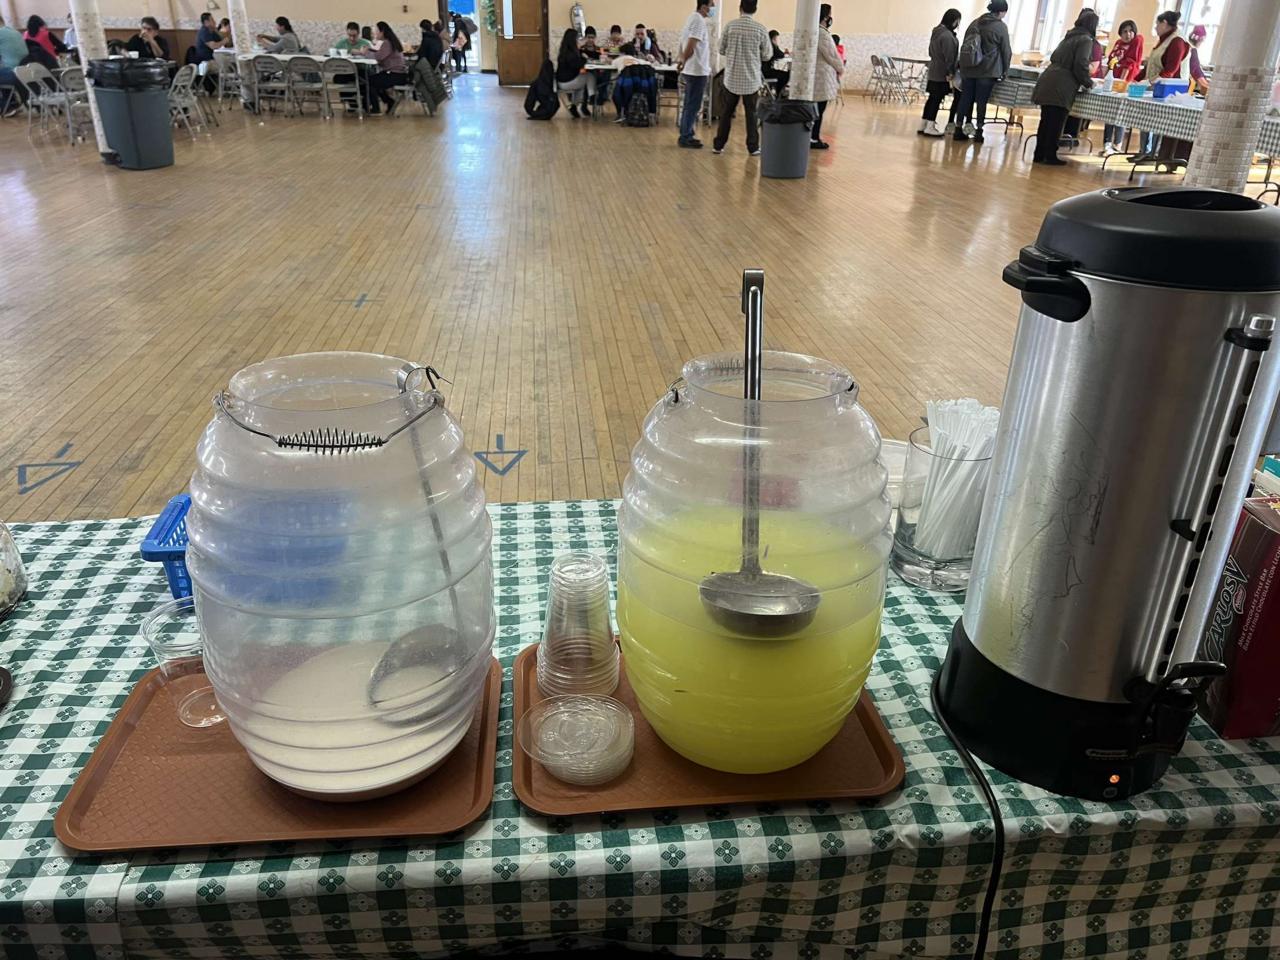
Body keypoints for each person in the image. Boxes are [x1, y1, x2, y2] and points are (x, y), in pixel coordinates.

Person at [1031, 9, 1097, 166]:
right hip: (1062, 84)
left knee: (1045, 120)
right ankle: (1050, 155)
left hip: (1048, 78)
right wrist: (1088, 82)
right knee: (1056, 121)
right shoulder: (1086, 40)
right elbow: (1080, 64)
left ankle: (1039, 154)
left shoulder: (1068, 37)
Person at [713, 0, 771, 155]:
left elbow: (721, 49)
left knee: (726, 113)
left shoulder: (730, 26)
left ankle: (718, 145)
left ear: (740, 8)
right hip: (751, 79)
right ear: (755, 9)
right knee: (751, 114)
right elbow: (767, 55)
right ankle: (753, 147)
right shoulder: (760, 29)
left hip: (731, 78)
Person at [953, 0, 1011, 143]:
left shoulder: (975, 22)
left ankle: (958, 129)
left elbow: (966, 44)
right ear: (1001, 12)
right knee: (981, 101)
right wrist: (1005, 70)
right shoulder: (1000, 27)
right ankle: (979, 132)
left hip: (969, 68)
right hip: (988, 70)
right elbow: (1006, 51)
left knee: (965, 98)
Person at [1134, 10, 1190, 158]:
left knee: (1160, 121)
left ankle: (1154, 153)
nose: (1155, 27)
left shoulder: (1177, 41)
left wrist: (1149, 82)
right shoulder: (1163, 40)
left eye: (1157, 24)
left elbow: (1171, 69)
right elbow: (1150, 64)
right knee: (1145, 117)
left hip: (1170, 89)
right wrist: (1137, 80)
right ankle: (1144, 151)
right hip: (1155, 86)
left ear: (1164, 23)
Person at [1097, 19, 1142, 155]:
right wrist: (1105, 79)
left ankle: (1117, 144)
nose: (1128, 34)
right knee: (1109, 111)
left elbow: (1130, 63)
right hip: (1112, 80)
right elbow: (1111, 61)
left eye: (1130, 31)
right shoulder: (1118, 43)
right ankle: (1107, 143)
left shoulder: (1137, 41)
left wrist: (1121, 82)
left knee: (1120, 112)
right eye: (1124, 31)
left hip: (1124, 82)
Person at [677, 0, 714, 149]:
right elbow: (691, 44)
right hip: (697, 70)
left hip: (692, 69)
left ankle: (687, 133)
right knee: (693, 105)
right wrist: (683, 60)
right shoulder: (698, 21)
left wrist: (681, 60)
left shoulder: (691, 18)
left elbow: (682, 43)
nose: (713, 8)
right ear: (704, 6)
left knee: (689, 104)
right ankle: (685, 136)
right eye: (711, 5)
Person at [919, 8, 961, 137]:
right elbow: (950, 57)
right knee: (936, 99)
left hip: (933, 70)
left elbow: (930, 52)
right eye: (958, 21)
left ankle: (924, 124)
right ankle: (930, 127)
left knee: (932, 98)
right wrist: (951, 72)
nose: (958, 24)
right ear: (954, 20)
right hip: (942, 72)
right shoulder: (947, 36)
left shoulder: (936, 32)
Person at [810, 4, 843, 149]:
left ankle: (812, 136)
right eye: (829, 15)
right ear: (825, 17)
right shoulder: (823, 34)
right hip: (822, 76)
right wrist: (840, 68)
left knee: (816, 107)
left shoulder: (813, 31)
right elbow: (832, 55)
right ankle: (814, 137)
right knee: (819, 108)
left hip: (816, 74)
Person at [364, 21, 408, 115]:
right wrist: (370, 51)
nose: (375, 34)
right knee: (373, 80)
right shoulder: (390, 42)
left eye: (377, 31)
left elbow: (378, 57)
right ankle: (388, 101)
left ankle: (376, 108)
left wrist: (366, 52)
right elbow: (380, 55)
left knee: (370, 81)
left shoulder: (387, 43)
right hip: (398, 74)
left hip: (395, 75)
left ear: (382, 32)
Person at [555, 28, 596, 118]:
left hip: (563, 81)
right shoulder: (570, 53)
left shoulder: (565, 50)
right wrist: (584, 58)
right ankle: (592, 96)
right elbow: (578, 64)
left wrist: (581, 54)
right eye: (577, 38)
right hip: (566, 82)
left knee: (581, 85)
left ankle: (574, 107)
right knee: (590, 76)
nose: (579, 40)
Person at [0, 15, 28, 116]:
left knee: (3, 72)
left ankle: (6, 106)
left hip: (14, 74)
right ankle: (11, 104)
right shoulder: (14, 31)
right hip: (26, 71)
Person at [763, 29, 789, 98]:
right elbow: (780, 54)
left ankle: (778, 91)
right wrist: (776, 45)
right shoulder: (771, 46)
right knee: (786, 74)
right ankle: (779, 93)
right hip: (766, 72)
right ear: (773, 39)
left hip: (764, 71)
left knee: (782, 74)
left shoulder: (767, 46)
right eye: (776, 39)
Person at [1188, 24, 1209, 93]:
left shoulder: (1187, 46)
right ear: (1200, 39)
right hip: (1185, 83)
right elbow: (1195, 70)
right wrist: (1205, 85)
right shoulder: (1192, 50)